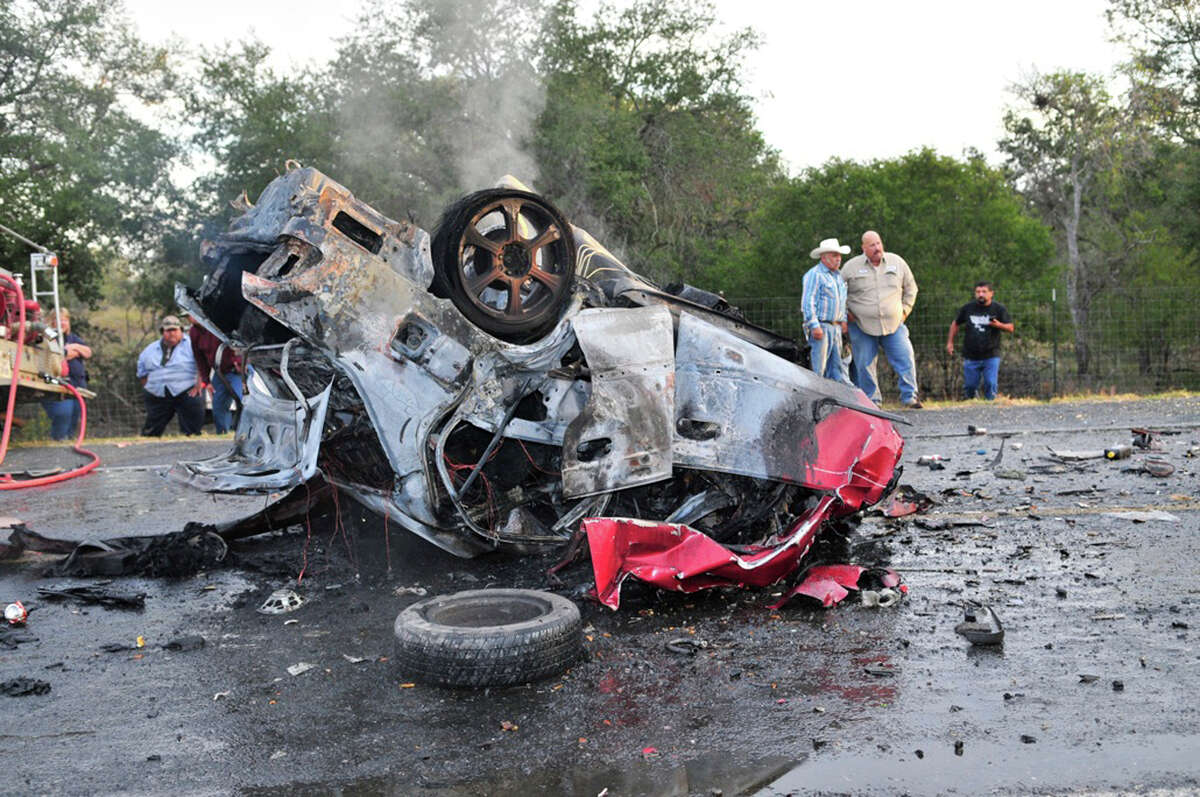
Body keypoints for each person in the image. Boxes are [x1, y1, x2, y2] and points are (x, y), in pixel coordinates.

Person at [843, 230, 921, 408]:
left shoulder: (897, 262)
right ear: (863, 248)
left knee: (905, 357)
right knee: (864, 364)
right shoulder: (851, 267)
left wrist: (905, 311)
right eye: (872, 245)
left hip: (894, 324)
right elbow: (837, 292)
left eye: (878, 243)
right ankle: (873, 401)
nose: (877, 248)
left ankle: (910, 397)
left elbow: (911, 288)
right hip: (861, 325)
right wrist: (845, 314)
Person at [136, 315, 203, 436]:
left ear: (181, 330)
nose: (172, 333)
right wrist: (151, 388)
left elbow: (203, 365)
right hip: (158, 392)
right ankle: (149, 440)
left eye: (175, 330)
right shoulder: (150, 349)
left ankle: (191, 437)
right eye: (168, 330)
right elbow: (142, 373)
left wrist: (199, 385)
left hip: (186, 389)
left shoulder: (192, 344)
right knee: (151, 430)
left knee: (192, 426)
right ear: (162, 332)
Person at [946, 281, 1014, 400]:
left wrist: (998, 325)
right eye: (978, 292)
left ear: (991, 293)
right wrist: (950, 342)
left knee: (990, 383)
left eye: (984, 292)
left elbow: (1011, 328)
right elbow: (955, 323)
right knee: (970, 386)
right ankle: (971, 403)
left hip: (991, 353)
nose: (981, 294)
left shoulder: (999, 309)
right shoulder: (968, 308)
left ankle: (991, 404)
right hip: (971, 354)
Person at [801, 238, 853, 384]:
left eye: (839, 255)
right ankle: (815, 391)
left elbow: (842, 301)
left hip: (835, 327)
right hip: (822, 326)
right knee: (818, 368)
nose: (839, 259)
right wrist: (814, 325)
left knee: (837, 367)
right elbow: (808, 301)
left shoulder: (839, 276)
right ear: (824, 258)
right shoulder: (815, 274)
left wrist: (843, 320)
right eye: (835, 255)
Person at [40, 309, 92, 440]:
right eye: (59, 319)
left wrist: (73, 347)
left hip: (77, 384)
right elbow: (57, 356)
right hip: (57, 383)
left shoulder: (73, 338)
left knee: (75, 413)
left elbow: (88, 352)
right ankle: (58, 440)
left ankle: (69, 441)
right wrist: (70, 352)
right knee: (63, 412)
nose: (62, 323)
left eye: (65, 320)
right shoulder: (48, 336)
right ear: (51, 321)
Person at [189, 319, 244, 434]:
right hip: (220, 372)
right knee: (218, 406)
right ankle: (223, 433)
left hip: (237, 370)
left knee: (243, 401)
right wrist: (206, 381)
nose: (191, 318)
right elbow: (200, 358)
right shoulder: (194, 332)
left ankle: (246, 432)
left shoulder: (216, 322)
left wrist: (241, 362)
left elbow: (240, 341)